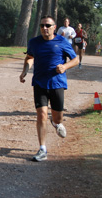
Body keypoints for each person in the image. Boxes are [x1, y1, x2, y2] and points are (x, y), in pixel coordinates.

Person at [20, 15, 79, 162]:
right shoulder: (34, 42)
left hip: (57, 83)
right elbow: (29, 57)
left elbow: (76, 59)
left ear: (54, 27)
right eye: (42, 26)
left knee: (57, 117)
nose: (44, 28)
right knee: (41, 114)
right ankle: (42, 149)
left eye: (48, 26)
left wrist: (64, 66)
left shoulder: (62, 41)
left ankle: (56, 122)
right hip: (39, 83)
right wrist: (25, 71)